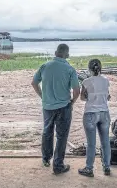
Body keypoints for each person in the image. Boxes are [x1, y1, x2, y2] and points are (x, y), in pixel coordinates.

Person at [31, 44, 80, 175]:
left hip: (47, 106)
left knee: (47, 132)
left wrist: (43, 96)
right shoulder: (70, 69)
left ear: (55, 52)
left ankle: (46, 159)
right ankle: (58, 165)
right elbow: (76, 91)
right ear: (67, 55)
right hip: (64, 107)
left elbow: (34, 83)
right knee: (62, 136)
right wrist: (72, 102)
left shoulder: (45, 66)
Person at [78, 59, 111, 177]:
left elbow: (82, 98)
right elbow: (108, 97)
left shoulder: (86, 81)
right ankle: (107, 167)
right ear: (100, 68)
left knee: (91, 143)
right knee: (105, 142)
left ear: (89, 69)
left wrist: (88, 95)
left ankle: (89, 169)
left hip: (91, 113)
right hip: (104, 113)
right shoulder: (106, 80)